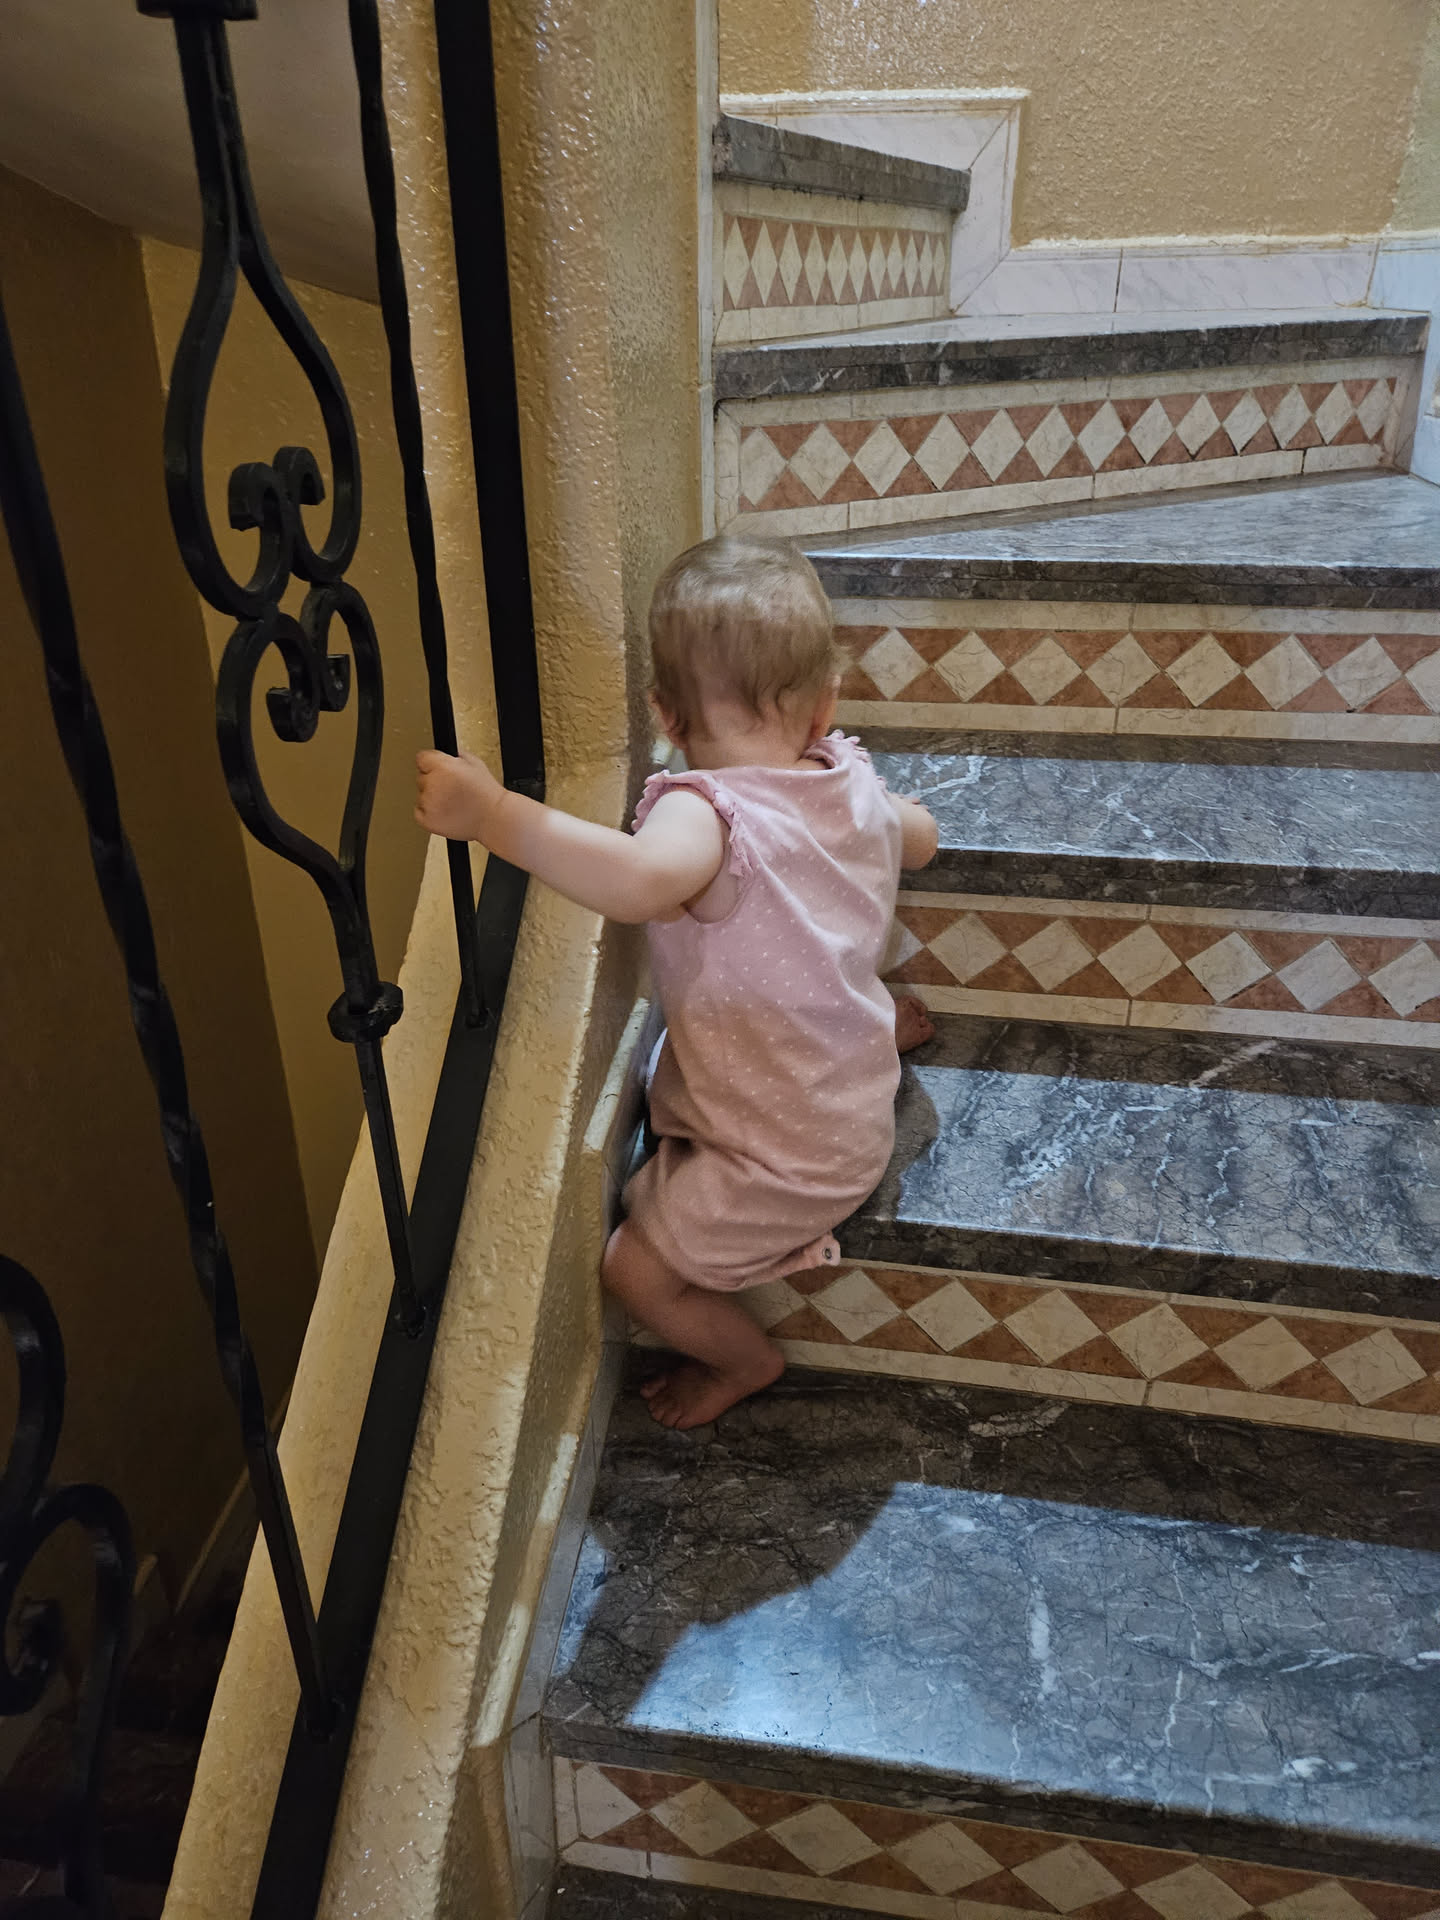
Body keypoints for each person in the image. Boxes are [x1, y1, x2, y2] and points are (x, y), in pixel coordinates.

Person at [415, 534, 939, 1429]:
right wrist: (892, 824)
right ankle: (878, 1023)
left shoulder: (705, 815)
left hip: (792, 1159)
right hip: (844, 1094)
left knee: (635, 1270)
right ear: (826, 707)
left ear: (663, 712)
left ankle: (745, 1361)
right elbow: (918, 838)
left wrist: (495, 814)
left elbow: (635, 882)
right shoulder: (847, 779)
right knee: (821, 963)